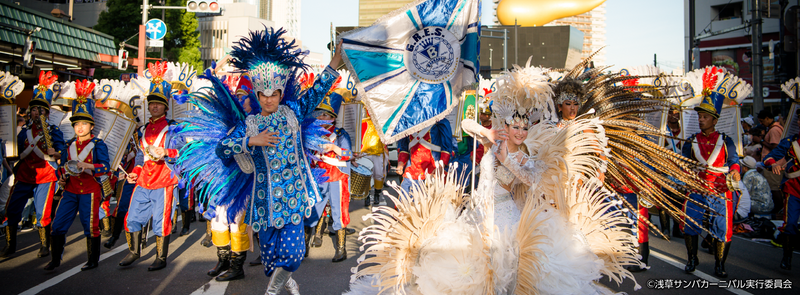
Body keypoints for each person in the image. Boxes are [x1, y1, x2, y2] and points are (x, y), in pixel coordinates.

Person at [198, 27, 342, 294]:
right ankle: (284, 278)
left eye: (273, 94)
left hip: (294, 196)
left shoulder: (294, 112)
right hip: (263, 201)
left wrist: (335, 60)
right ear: (257, 95)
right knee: (271, 260)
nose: (268, 99)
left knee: (295, 254)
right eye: (263, 95)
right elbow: (222, 148)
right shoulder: (250, 124)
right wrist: (251, 141)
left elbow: (319, 89)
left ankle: (272, 291)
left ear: (280, 92)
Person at [119, 61, 181, 271]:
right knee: (133, 215)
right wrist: (133, 173)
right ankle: (134, 252)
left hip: (164, 179)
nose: (154, 106)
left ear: (165, 105)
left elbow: (184, 154)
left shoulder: (173, 129)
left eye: (159, 103)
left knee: (161, 220)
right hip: (145, 178)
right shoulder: (143, 129)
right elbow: (139, 158)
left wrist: (167, 153)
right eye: (151, 103)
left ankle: (160, 258)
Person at [681, 67, 740, 278]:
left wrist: (734, 172)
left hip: (719, 188)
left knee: (722, 227)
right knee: (690, 223)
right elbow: (685, 163)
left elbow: (734, 161)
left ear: (715, 120)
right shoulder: (690, 141)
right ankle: (691, 259)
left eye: (705, 117)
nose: (701, 119)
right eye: (700, 116)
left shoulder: (727, 141)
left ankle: (719, 264)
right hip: (696, 187)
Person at [46, 80, 110, 271]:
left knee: (90, 227)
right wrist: (62, 177)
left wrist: (86, 165)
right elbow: (63, 167)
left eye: (84, 123)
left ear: (91, 125)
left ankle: (92, 260)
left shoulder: (98, 144)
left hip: (90, 190)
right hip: (71, 190)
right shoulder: (69, 145)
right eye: (77, 124)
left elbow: (105, 167)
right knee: (57, 225)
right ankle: (55, 259)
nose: (80, 127)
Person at [2, 71, 65, 259]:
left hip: (45, 175)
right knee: (12, 209)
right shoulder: (24, 131)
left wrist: (57, 152)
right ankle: (10, 245)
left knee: (42, 211)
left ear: (46, 112)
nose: (36, 112)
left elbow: (62, 150)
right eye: (34, 109)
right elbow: (16, 149)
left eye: (40, 110)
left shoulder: (53, 131)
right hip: (25, 175)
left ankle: (45, 245)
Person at [306, 91, 354, 262]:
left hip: (336, 177)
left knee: (339, 211)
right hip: (318, 176)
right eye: (320, 114)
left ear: (332, 117)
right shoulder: (311, 133)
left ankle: (341, 249)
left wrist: (334, 149)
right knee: (312, 209)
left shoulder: (340, 134)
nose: (322, 117)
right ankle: (304, 246)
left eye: (325, 114)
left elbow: (348, 154)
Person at [759, 109, 800, 270]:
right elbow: (769, 157)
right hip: (794, 189)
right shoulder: (791, 142)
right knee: (789, 224)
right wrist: (773, 164)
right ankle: (787, 257)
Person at [395, 119, 455, 194]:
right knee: (405, 200)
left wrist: (440, 166)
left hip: (433, 170)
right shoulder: (406, 121)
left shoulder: (441, 121)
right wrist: (400, 164)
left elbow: (447, 147)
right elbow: (404, 147)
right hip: (412, 170)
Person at [103, 138, 137, 248]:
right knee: (122, 206)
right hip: (127, 176)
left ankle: (137, 242)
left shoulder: (139, 136)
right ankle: (114, 236)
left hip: (143, 175)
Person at [759, 109, 785, 218]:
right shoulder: (773, 129)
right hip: (773, 164)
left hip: (775, 165)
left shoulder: (774, 130)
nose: (761, 123)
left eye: (762, 121)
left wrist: (762, 142)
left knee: (775, 189)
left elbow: (775, 146)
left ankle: (779, 212)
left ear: (768, 119)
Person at [359, 110, 388, 207]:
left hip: (378, 152)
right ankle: (366, 196)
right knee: (366, 176)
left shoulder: (383, 123)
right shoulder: (363, 122)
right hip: (365, 153)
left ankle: (377, 194)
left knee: (378, 174)